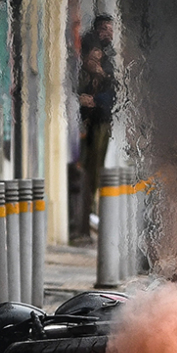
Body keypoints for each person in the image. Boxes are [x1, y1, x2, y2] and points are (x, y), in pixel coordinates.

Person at [74, 15, 117, 238]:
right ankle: (83, 223)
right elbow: (76, 89)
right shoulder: (85, 75)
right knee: (88, 173)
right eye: (103, 29)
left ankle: (88, 220)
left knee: (96, 174)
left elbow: (114, 92)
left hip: (102, 122)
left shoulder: (110, 63)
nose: (107, 32)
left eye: (110, 29)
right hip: (88, 124)